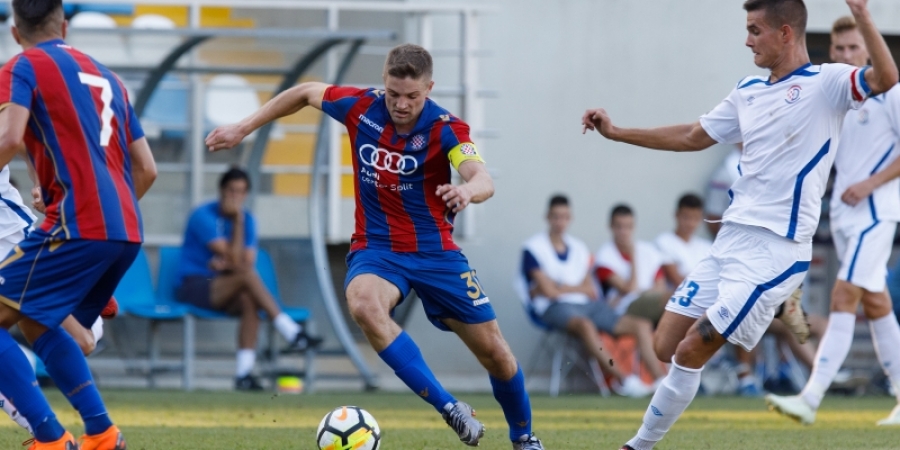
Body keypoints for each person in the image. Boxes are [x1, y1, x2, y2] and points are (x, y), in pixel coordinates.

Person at [581, 0, 897, 447]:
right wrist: (617, 132)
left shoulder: (826, 83)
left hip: (776, 252)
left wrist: (864, 16)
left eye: (755, 30)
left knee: (691, 348)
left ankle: (638, 445)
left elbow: (885, 78)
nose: (747, 40)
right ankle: (755, 323)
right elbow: (693, 136)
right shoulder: (748, 90)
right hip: (729, 243)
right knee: (664, 344)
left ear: (785, 33)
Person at [206, 44, 545, 449]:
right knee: (364, 304)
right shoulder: (361, 107)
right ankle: (449, 406)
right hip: (377, 249)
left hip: (436, 253)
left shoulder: (446, 128)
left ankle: (524, 438)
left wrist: (466, 191)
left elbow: (482, 178)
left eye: (412, 96)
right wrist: (243, 127)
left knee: (496, 355)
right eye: (394, 93)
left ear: (429, 88)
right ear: (384, 82)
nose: (401, 105)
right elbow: (305, 92)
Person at [0, 0, 158, 448]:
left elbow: (9, 138)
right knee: (39, 321)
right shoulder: (110, 78)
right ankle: (101, 433)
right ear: (64, 25)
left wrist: (81, 212)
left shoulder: (22, 67)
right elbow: (147, 169)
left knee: (38, 320)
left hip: (74, 226)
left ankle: (51, 439)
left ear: (16, 32)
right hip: (126, 229)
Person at [766, 15, 900, 426]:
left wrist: (870, 183)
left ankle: (810, 398)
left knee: (843, 297)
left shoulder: (891, 92)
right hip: (843, 215)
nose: (845, 55)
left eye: (853, 47)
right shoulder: (836, 94)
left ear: (868, 49)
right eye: (839, 49)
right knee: (876, 303)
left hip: (876, 212)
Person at [176, 167, 322, 391]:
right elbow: (239, 261)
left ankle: (243, 374)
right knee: (245, 275)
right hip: (195, 284)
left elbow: (246, 262)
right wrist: (237, 223)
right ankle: (290, 331)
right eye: (231, 190)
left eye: (241, 192)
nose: (236, 197)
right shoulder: (202, 216)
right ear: (221, 190)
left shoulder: (249, 220)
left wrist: (230, 261)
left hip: (229, 284)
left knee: (249, 301)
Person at [519, 195, 662, 397]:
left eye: (564, 217)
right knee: (585, 325)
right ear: (547, 217)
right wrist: (571, 288)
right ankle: (625, 381)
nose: (560, 222)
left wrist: (559, 285)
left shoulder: (578, 247)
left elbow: (589, 289)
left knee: (641, 324)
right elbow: (549, 293)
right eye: (556, 216)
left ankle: (661, 381)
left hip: (588, 305)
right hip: (553, 308)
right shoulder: (533, 248)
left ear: (570, 218)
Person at [595, 204, 668, 323]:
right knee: (670, 302)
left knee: (676, 302)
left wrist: (643, 292)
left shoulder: (648, 251)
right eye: (619, 227)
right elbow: (630, 289)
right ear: (611, 226)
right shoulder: (604, 256)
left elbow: (661, 286)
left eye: (628, 226)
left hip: (651, 300)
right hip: (626, 307)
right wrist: (633, 255)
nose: (624, 232)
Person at [656, 194, 712, 288]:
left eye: (696, 218)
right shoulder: (663, 242)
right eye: (686, 217)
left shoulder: (707, 246)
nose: (691, 223)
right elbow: (677, 281)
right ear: (676, 215)